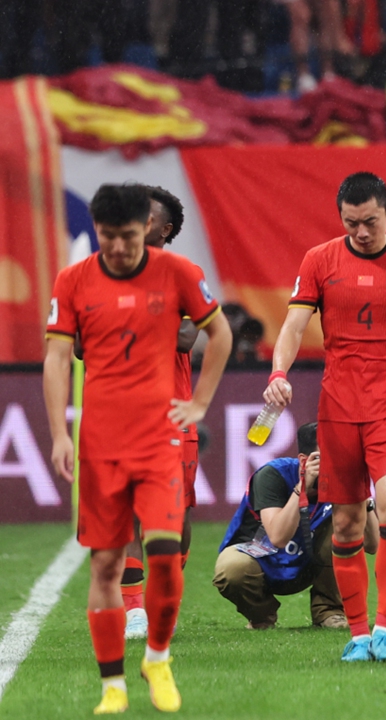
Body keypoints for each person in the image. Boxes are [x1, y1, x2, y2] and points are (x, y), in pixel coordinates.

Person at [44, 184, 232, 713]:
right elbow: (59, 358)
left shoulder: (177, 273)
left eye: (129, 236)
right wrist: (59, 432)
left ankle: (156, 656)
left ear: (148, 231)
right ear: (98, 230)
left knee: (166, 555)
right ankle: (113, 687)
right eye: (109, 237)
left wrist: (198, 404)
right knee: (104, 564)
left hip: (158, 439)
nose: (120, 247)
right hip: (101, 442)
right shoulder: (73, 279)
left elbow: (218, 335)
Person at [264, 172, 386, 663]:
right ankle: (358, 636)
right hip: (339, 408)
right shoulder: (320, 260)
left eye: (371, 221)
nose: (361, 232)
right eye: (351, 223)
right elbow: (294, 325)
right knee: (344, 522)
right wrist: (279, 371)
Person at [113, 185, 198, 641]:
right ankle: (133, 609)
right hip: (124, 413)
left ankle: (166, 589)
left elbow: (188, 338)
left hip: (174, 414)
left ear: (164, 229)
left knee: (177, 520)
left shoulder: (184, 274)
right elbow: (85, 345)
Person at [214, 422, 379, 629]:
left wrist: (363, 495)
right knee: (231, 569)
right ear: (305, 460)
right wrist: (302, 487)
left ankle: (329, 611)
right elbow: (278, 537)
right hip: (262, 560)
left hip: (311, 562)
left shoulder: (343, 481)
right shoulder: (272, 475)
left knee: (342, 523)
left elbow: (373, 545)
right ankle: (261, 616)